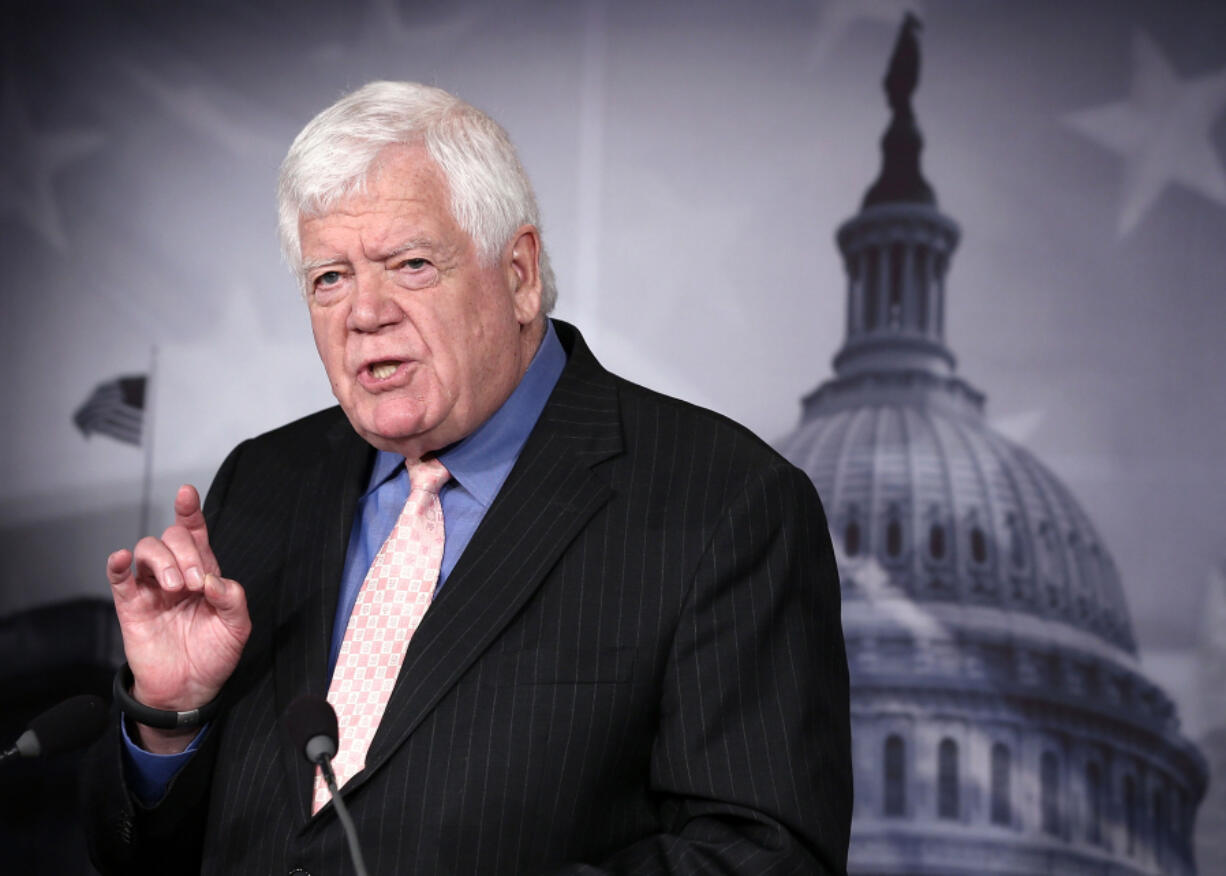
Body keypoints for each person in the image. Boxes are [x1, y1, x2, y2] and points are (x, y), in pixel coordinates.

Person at [83, 81, 851, 875]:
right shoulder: (260, 482)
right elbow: (141, 856)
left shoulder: (725, 503)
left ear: (519, 274)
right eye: (329, 278)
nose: (364, 313)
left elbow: (764, 856)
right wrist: (170, 718)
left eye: (410, 264)